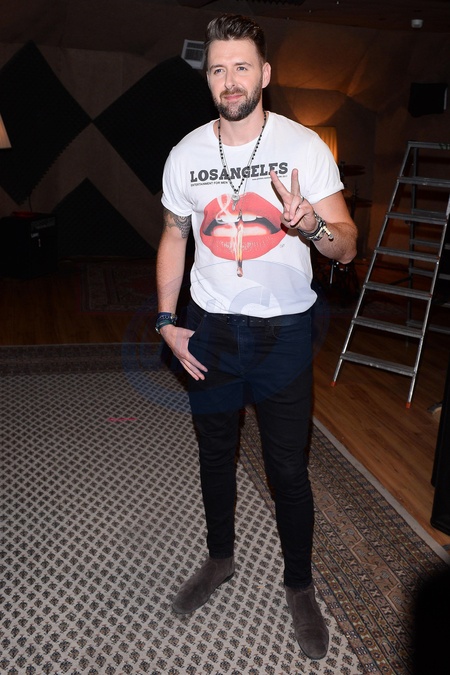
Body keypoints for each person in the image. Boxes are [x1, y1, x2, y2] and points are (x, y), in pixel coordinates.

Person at [156, 13, 357, 661]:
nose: (230, 79)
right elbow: (173, 236)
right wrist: (167, 321)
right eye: (218, 69)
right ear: (208, 78)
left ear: (265, 73)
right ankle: (220, 558)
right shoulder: (187, 154)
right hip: (211, 328)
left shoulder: (304, 147)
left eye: (242, 66)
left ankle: (299, 585)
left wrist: (311, 226)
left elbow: (347, 246)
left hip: (285, 333)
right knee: (215, 454)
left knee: (287, 469)